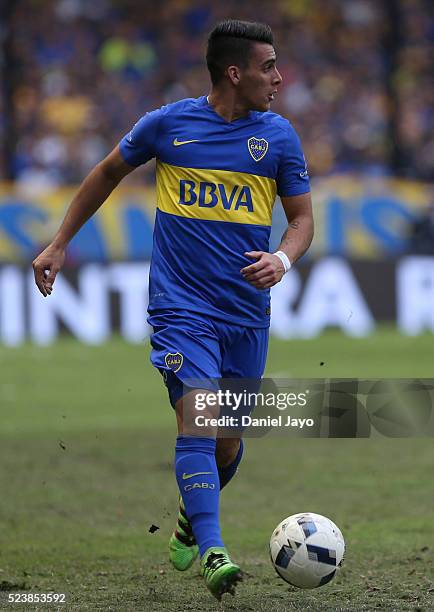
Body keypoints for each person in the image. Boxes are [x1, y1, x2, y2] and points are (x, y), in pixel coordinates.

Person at [33, 19, 314, 600]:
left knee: (229, 439)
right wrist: (60, 242)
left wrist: (283, 260)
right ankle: (213, 550)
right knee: (200, 414)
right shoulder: (168, 125)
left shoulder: (279, 138)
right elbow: (108, 171)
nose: (279, 79)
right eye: (269, 67)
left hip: (246, 314)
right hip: (180, 307)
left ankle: (191, 516)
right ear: (235, 73)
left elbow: (303, 219)